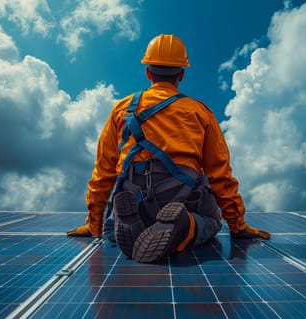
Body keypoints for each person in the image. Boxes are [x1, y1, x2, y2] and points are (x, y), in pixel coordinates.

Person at [67, 33, 270, 263]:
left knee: (109, 229)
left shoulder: (121, 109)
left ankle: (130, 220)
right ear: (181, 75)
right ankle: (185, 224)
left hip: (134, 198)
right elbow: (220, 176)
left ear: (148, 72)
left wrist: (93, 225)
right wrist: (238, 227)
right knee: (213, 222)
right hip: (182, 201)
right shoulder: (200, 112)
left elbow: (102, 172)